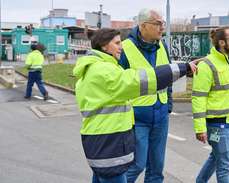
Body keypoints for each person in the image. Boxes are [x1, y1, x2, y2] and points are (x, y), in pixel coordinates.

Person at [73, 28, 197, 183]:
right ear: (104, 46)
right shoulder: (103, 70)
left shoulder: (94, 68)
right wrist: (182, 68)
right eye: (117, 43)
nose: (121, 47)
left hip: (99, 140)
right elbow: (140, 80)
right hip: (109, 142)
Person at [119, 8, 173, 183]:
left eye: (162, 24)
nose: (161, 28)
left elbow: (169, 76)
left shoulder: (162, 46)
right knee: (136, 165)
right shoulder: (125, 49)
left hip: (161, 117)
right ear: (143, 25)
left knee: (157, 169)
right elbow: (118, 84)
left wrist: (169, 105)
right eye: (157, 24)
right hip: (137, 118)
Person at [191, 27, 229, 183]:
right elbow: (198, 98)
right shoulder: (206, 65)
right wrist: (200, 128)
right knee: (224, 166)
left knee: (216, 157)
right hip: (216, 124)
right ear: (222, 42)